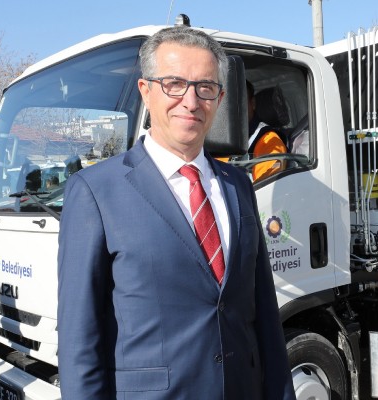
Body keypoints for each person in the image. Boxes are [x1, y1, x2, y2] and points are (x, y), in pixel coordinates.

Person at [57, 26, 295, 400]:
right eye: (174, 84)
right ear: (145, 91)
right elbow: (79, 340)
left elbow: (264, 312)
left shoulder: (238, 185)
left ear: (220, 98)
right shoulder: (95, 191)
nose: (191, 100)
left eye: (205, 87)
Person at [246, 80, 288, 181]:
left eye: (239, 102)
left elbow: (265, 186)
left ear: (253, 103)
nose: (231, 109)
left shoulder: (269, 140)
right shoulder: (216, 141)